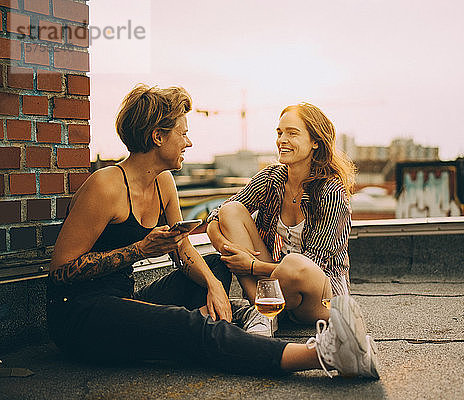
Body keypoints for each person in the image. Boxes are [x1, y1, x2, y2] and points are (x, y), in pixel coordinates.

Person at [46, 84, 379, 379]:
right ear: (158, 137)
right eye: (182, 132)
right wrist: (139, 250)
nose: (188, 142)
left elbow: (183, 249)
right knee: (187, 326)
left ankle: (246, 314)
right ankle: (323, 354)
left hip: (125, 299)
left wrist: (214, 285)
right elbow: (60, 274)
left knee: (215, 270)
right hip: (81, 315)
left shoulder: (164, 182)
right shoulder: (104, 186)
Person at [206, 102, 355, 324]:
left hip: (318, 297)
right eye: (280, 132)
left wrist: (251, 266)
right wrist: (228, 249)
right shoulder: (271, 178)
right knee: (231, 211)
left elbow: (312, 264)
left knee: (293, 264)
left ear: (315, 141)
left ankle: (261, 312)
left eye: (292, 133)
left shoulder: (332, 192)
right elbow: (216, 216)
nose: (282, 140)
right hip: (272, 286)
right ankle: (262, 312)